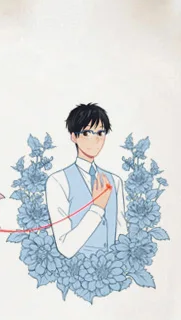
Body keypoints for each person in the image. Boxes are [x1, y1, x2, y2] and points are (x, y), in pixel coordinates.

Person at [45, 102, 127, 258]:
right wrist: (97, 208)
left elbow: (121, 233)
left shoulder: (115, 181)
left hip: (112, 267)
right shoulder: (58, 181)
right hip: (76, 268)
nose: (95, 139)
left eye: (100, 133)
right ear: (74, 136)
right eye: (87, 133)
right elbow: (65, 248)